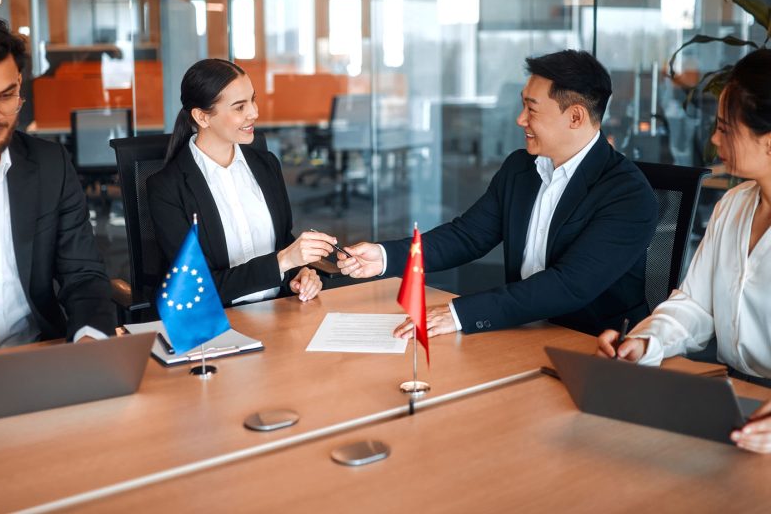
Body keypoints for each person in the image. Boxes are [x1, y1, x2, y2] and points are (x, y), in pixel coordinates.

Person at [338, 50, 658, 338]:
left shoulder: (627, 194)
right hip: (522, 330)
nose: (520, 120)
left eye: (531, 109)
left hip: (594, 345)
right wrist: (384, 257)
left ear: (575, 116)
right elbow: (468, 236)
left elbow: (569, 285)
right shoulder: (521, 168)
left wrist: (459, 314)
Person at [597, 48, 771, 454]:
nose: (714, 139)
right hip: (733, 400)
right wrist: (644, 342)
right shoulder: (734, 206)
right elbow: (695, 305)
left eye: (726, 129)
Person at [0, 17, 116, 351]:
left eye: (7, 96)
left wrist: (89, 339)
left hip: (37, 355)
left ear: (20, 83)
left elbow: (82, 274)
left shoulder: (51, 164)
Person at [148, 59, 336, 307]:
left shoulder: (266, 165)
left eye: (253, 100)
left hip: (281, 312)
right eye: (239, 107)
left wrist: (299, 273)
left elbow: (281, 241)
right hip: (217, 325)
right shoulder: (167, 187)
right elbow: (197, 287)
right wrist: (282, 262)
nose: (254, 113)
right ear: (202, 117)